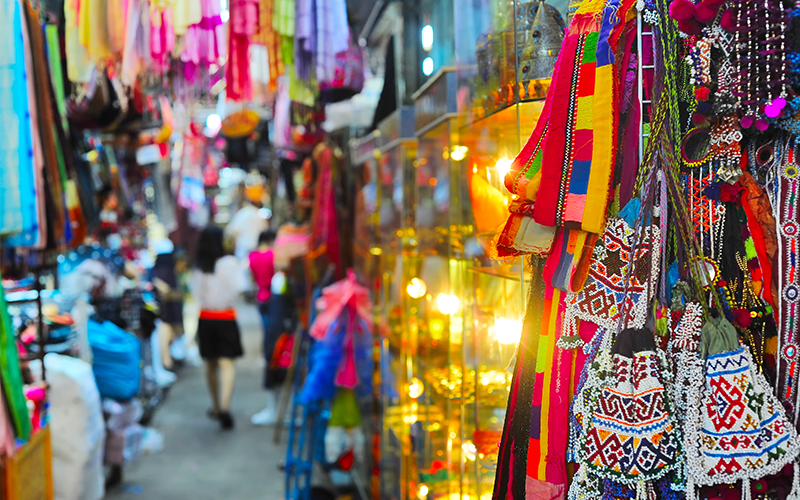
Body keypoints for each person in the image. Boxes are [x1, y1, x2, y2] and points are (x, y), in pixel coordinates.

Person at [189, 226, 246, 429]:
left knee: (210, 365)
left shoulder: (199, 267)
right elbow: (240, 288)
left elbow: (195, 294)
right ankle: (224, 406)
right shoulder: (230, 263)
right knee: (226, 363)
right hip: (226, 317)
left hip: (206, 319)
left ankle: (215, 406)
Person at [249, 229, 281, 425]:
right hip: (274, 300)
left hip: (261, 298)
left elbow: (252, 278)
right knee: (274, 339)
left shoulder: (252, 257)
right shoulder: (273, 255)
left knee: (266, 333)